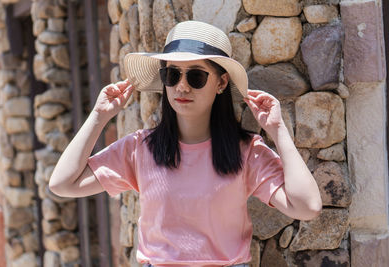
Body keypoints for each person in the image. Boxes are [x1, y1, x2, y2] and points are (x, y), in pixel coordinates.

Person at [49, 21, 322, 267]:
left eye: (196, 76)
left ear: (221, 82)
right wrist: (98, 117)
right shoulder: (140, 149)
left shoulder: (247, 152)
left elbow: (307, 207)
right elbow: (62, 184)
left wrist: (278, 130)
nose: (182, 87)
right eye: (172, 75)